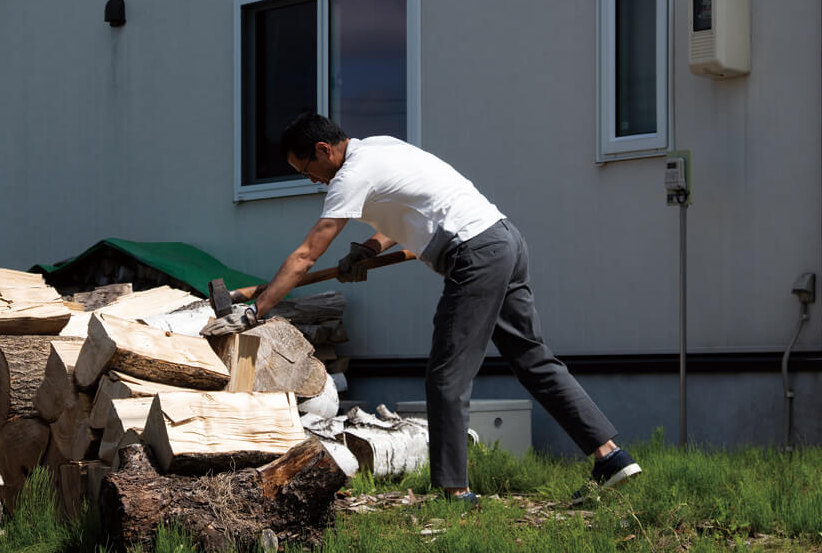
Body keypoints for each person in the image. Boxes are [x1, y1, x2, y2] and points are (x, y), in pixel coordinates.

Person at [222, 112, 640, 503]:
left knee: (447, 375)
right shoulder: (380, 148)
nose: (312, 182)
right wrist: (368, 248)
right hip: (504, 239)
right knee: (532, 358)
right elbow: (409, 210)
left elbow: (306, 256)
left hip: (475, 254)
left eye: (306, 171)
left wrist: (258, 309)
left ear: (323, 151)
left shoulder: (349, 177)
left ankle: (454, 493)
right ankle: (612, 457)